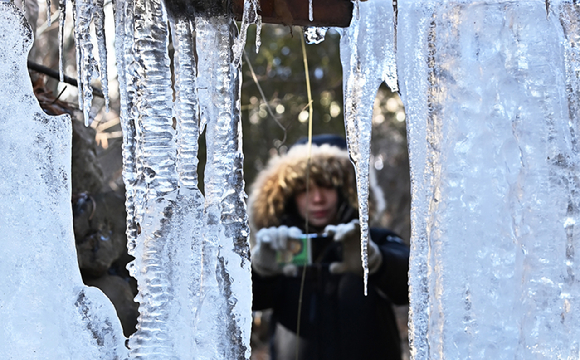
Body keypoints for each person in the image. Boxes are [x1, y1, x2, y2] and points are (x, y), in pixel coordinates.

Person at [248, 134, 410, 360]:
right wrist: (259, 272)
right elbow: (245, 304)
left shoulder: (374, 241)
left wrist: (378, 263)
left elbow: (412, 283)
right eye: (304, 188)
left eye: (327, 186)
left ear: (347, 190)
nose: (317, 199)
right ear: (287, 195)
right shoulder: (278, 247)